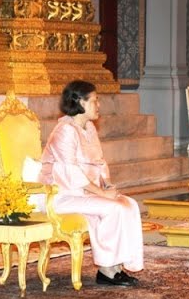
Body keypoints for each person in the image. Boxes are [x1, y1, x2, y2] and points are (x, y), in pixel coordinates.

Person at [39, 80, 144, 287]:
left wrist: (105, 185)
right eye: (95, 100)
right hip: (61, 195)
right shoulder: (65, 131)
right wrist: (102, 194)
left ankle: (117, 267)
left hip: (83, 193)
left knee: (129, 204)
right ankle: (106, 270)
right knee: (113, 208)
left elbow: (98, 162)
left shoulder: (88, 128)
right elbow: (71, 172)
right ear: (79, 102)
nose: (99, 105)